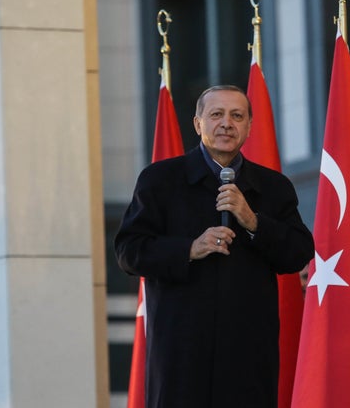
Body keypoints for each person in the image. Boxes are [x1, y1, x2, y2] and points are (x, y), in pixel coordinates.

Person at [115, 85, 315, 408]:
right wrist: (189, 249)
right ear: (198, 124)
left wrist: (253, 222)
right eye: (216, 115)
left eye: (237, 116)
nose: (227, 124)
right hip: (180, 356)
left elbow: (299, 251)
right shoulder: (160, 181)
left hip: (247, 359)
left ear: (249, 127)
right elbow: (128, 250)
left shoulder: (273, 188)